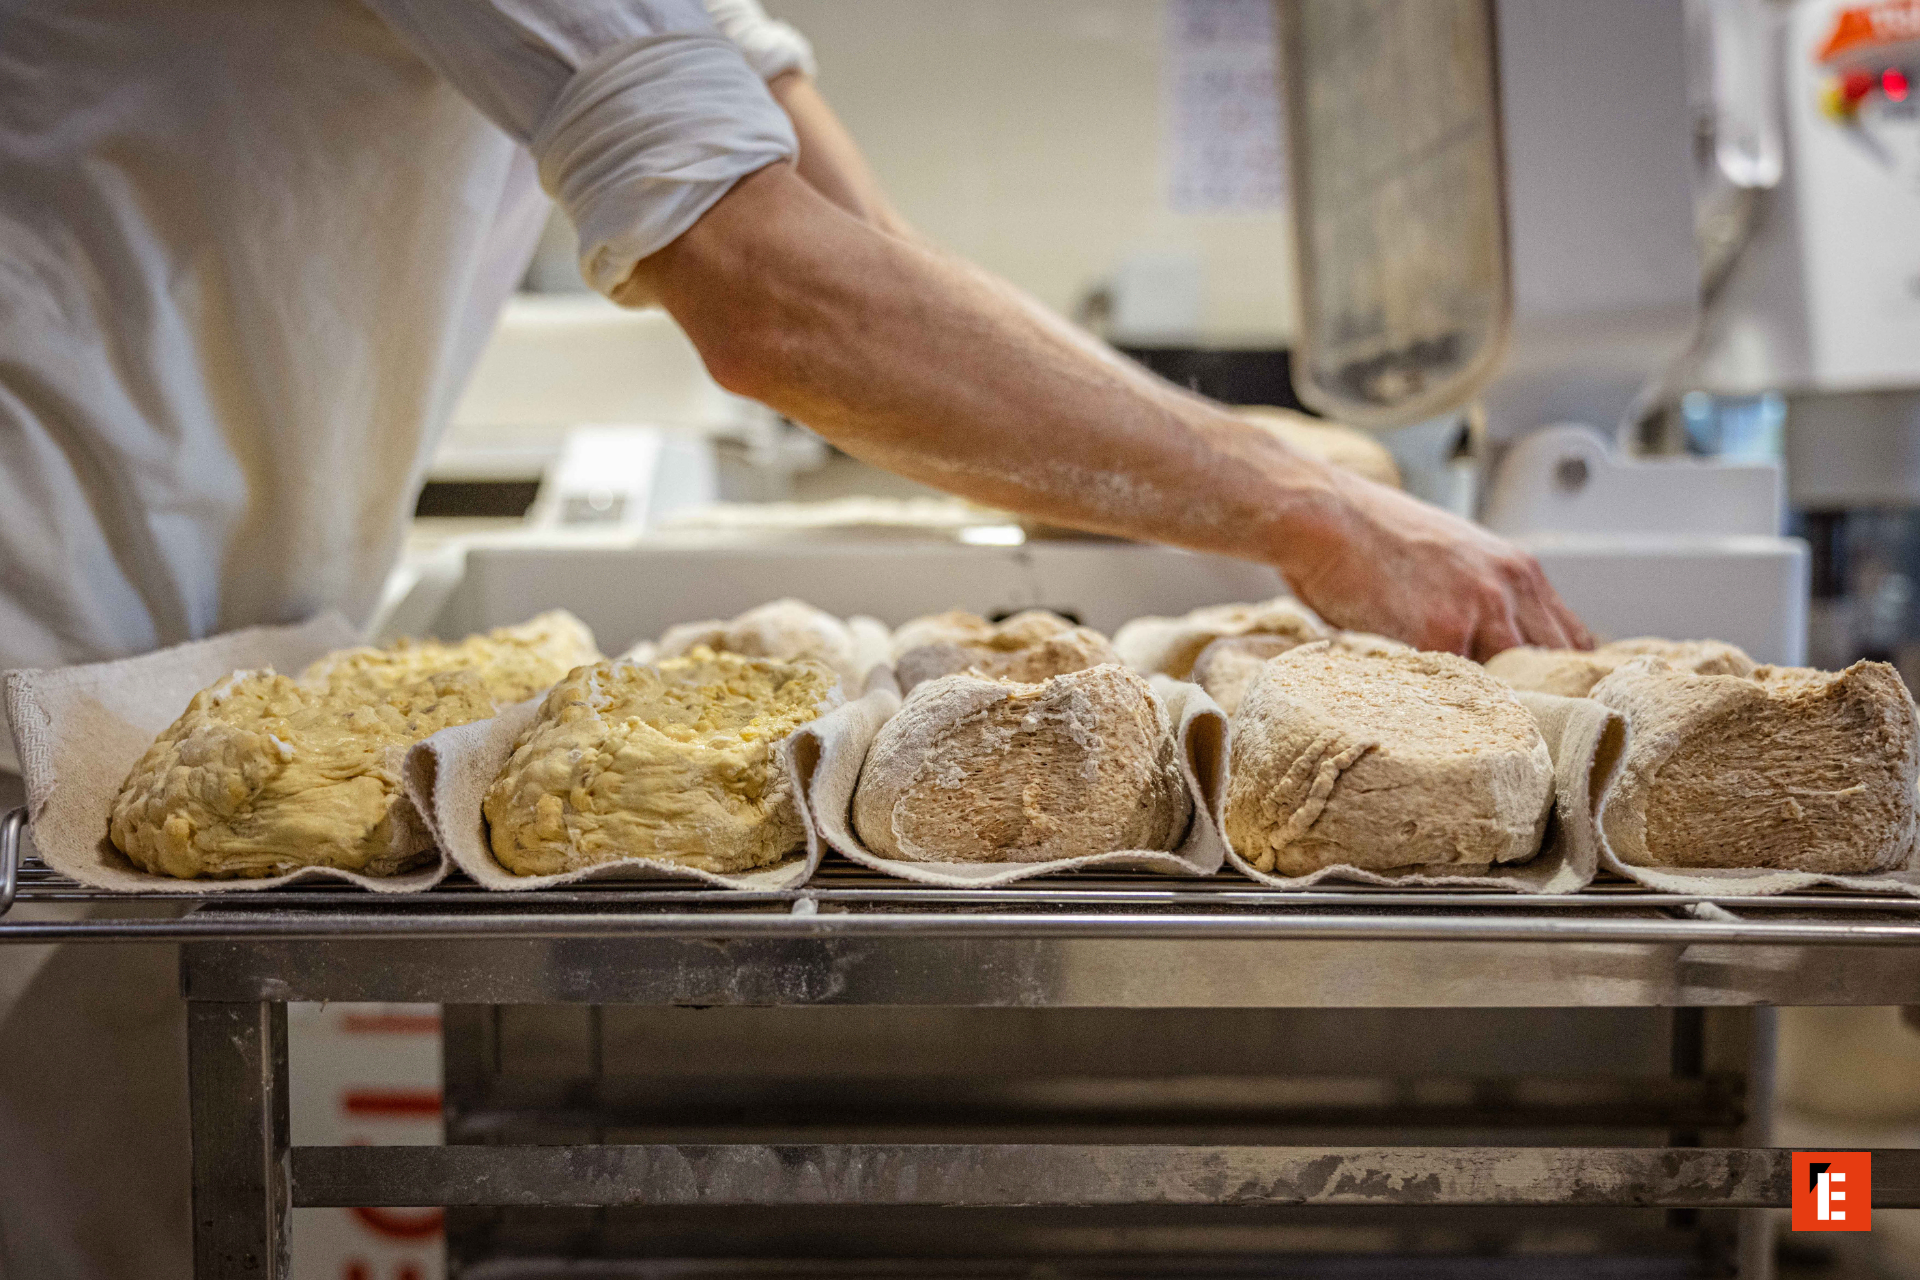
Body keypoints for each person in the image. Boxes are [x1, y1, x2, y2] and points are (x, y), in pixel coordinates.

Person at [0, 1, 1590, 1274]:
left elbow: (866, 250)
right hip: (46, 626)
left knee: (149, 1189)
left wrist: (1279, 484)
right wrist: (1307, 511)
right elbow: (770, 293)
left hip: (199, 631)